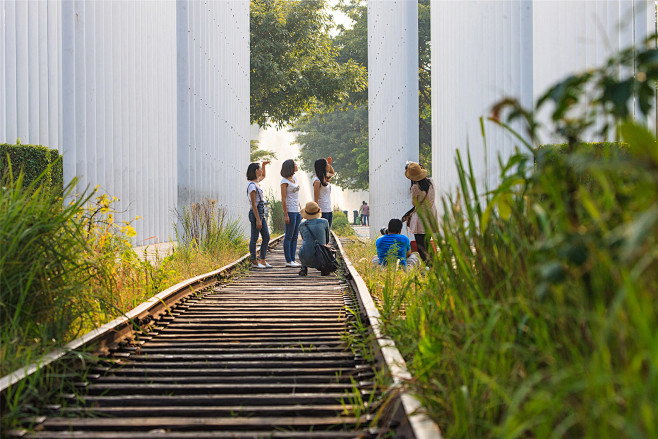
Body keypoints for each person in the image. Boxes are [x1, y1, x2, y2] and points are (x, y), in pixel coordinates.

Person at [403, 161, 437, 263]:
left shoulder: (415, 188)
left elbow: (414, 203)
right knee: (427, 243)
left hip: (420, 218)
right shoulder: (431, 182)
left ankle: (427, 266)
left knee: (421, 245)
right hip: (431, 215)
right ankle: (433, 266)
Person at [246, 161, 271, 269]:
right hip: (256, 213)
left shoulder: (256, 183)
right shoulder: (252, 186)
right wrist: (258, 219)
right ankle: (254, 261)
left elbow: (264, 175)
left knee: (266, 236)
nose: (261, 171)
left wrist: (264, 166)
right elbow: (253, 204)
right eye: (260, 168)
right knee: (254, 238)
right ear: (256, 171)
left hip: (261, 213)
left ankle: (263, 260)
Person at [298, 201, 331, 276]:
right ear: (318, 211)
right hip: (321, 258)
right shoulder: (324, 222)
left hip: (306, 258)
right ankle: (324, 269)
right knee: (325, 247)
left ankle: (303, 268)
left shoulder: (302, 225)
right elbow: (327, 240)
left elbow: (304, 239)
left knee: (303, 248)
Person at [280, 159, 302, 267]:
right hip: (290, 211)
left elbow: (296, 196)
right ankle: (288, 260)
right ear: (290, 167)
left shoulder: (295, 179)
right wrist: (286, 214)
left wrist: (300, 208)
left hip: (297, 211)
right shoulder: (284, 182)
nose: (297, 166)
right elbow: (283, 199)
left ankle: (293, 259)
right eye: (295, 165)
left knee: (295, 236)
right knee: (288, 236)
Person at [312, 157, 335, 227]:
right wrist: (316, 212)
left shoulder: (325, 179)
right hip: (322, 211)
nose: (329, 165)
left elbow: (332, 173)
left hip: (329, 210)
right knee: (322, 235)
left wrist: (329, 164)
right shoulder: (317, 181)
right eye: (327, 164)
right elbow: (316, 199)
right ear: (323, 166)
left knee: (327, 233)